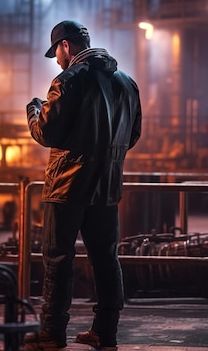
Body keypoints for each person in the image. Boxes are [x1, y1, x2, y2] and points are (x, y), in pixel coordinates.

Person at [23, 20, 142, 350]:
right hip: (107, 186)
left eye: (57, 54)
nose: (58, 61)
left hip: (66, 186)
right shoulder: (126, 83)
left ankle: (51, 333)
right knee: (105, 258)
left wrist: (34, 110)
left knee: (57, 258)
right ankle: (105, 332)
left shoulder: (67, 80)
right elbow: (132, 135)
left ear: (65, 46)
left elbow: (46, 132)